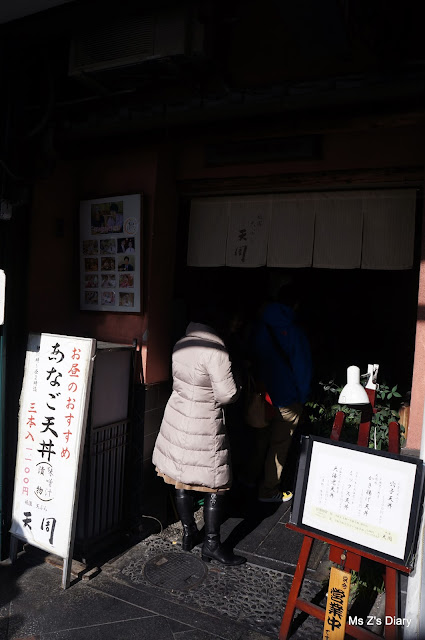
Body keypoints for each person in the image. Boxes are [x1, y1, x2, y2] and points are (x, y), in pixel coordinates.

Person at [152, 308, 246, 566]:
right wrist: (238, 385)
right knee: (214, 483)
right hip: (204, 420)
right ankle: (212, 545)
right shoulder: (217, 352)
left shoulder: (182, 343)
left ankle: (188, 533)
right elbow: (227, 394)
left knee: (182, 477)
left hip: (178, 414)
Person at [250, 282, 312, 503]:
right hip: (287, 398)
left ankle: (248, 483)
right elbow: (302, 367)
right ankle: (268, 490)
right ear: (295, 304)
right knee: (280, 445)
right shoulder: (294, 330)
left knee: (259, 442)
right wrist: (302, 399)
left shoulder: (259, 326)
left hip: (262, 395)